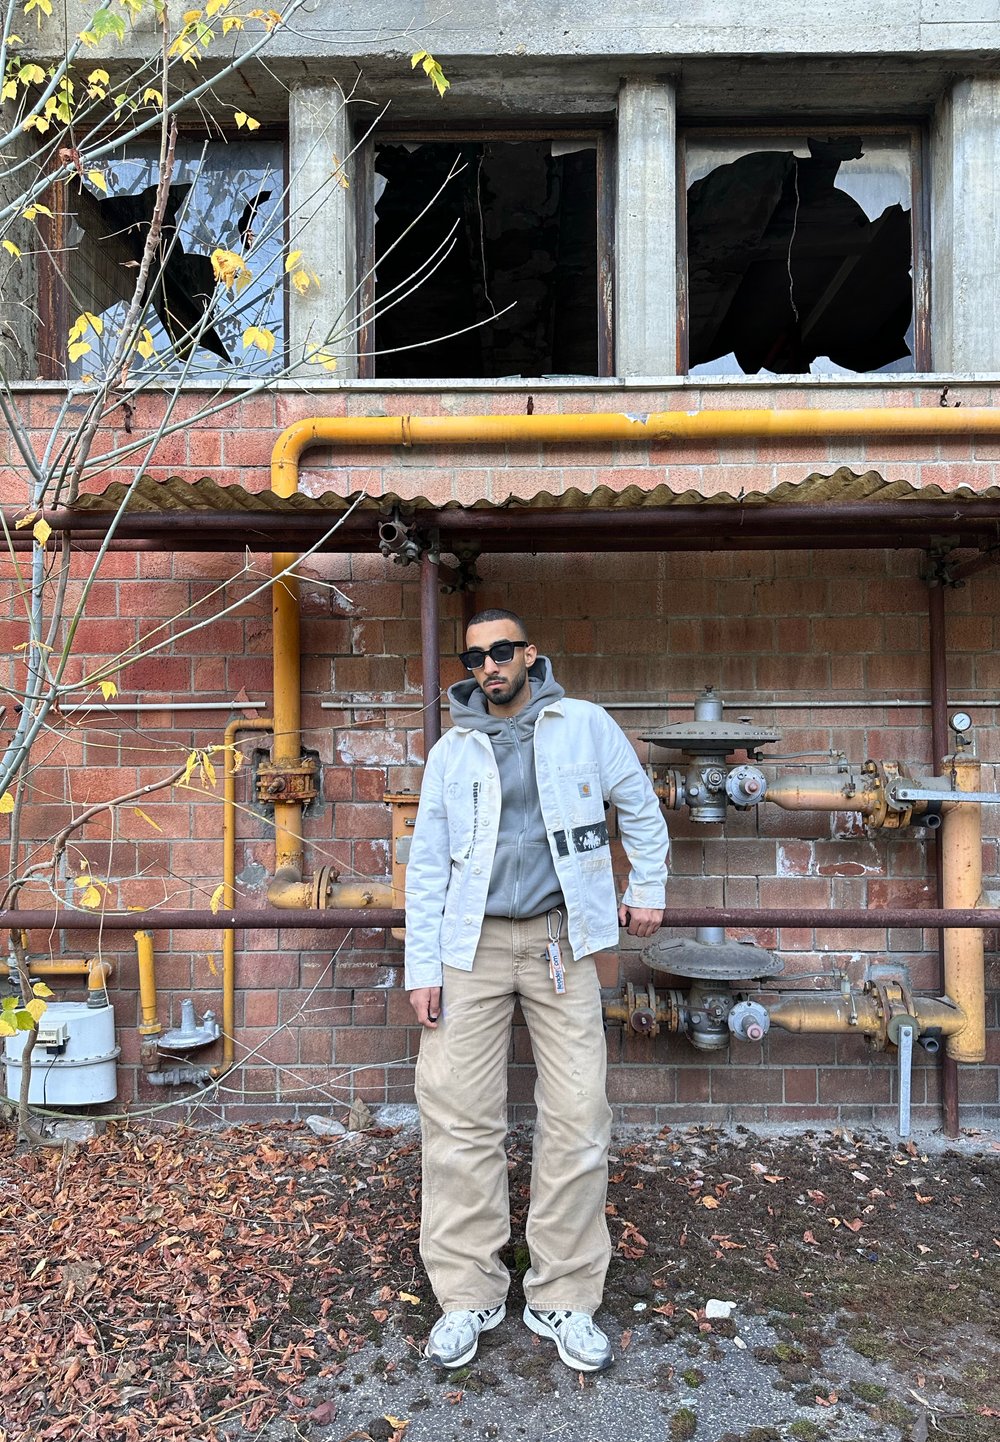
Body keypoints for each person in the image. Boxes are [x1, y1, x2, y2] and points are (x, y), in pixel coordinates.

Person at [405, 609, 669, 1373]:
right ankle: (468, 1292)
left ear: (530, 655)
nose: (488, 665)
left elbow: (641, 810)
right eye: (475, 656)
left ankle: (563, 1295)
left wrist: (647, 885)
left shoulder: (583, 725)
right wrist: (423, 967)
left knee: (580, 1110)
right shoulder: (453, 751)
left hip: (562, 939)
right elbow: (426, 866)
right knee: (456, 1112)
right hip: (470, 946)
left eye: (501, 651)